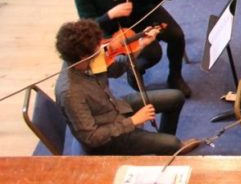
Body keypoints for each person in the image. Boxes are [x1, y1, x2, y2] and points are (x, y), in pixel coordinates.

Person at [54, 19, 197, 155]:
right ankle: (171, 147)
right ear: (82, 56)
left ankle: (164, 150)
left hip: (115, 107)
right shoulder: (70, 93)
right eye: (97, 49)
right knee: (172, 143)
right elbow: (91, 137)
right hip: (107, 139)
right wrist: (133, 121)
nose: (102, 49)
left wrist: (140, 45)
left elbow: (117, 70)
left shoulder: (86, 61)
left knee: (176, 97)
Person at [73, 0, 191, 97]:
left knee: (177, 35)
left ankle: (175, 77)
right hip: (116, 28)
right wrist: (110, 14)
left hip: (141, 12)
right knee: (153, 53)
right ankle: (133, 70)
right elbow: (88, 26)